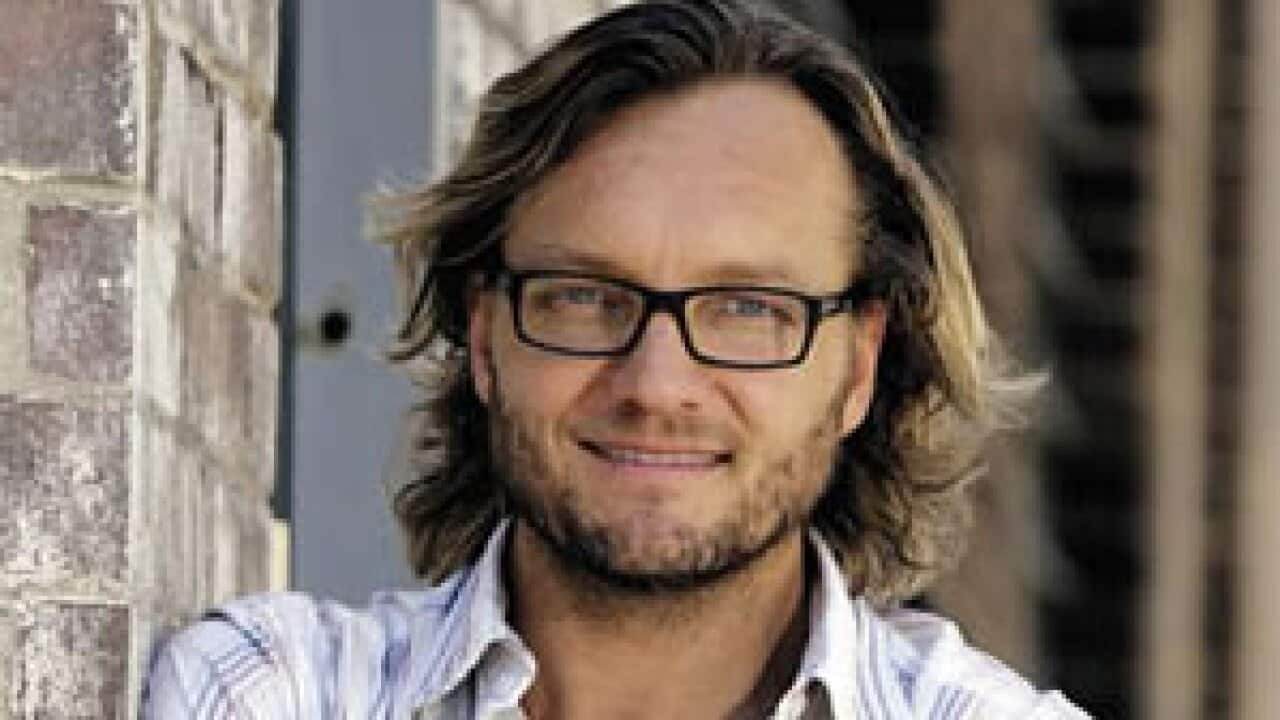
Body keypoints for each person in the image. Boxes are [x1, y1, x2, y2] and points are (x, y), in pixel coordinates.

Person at [144, 1, 1088, 717]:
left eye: (747, 310)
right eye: (587, 297)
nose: (656, 385)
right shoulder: (280, 692)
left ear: (859, 367)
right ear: (484, 333)